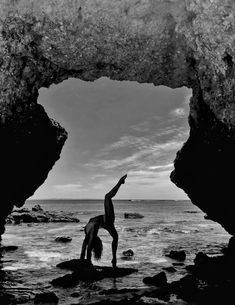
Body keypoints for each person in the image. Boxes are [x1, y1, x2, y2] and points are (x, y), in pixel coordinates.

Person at [80, 174, 127, 268]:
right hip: (108, 219)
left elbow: (85, 248)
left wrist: (82, 261)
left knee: (116, 237)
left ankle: (114, 259)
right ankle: (120, 182)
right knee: (107, 197)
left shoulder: (88, 232)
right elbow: (88, 248)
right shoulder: (92, 230)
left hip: (107, 222)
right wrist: (88, 263)